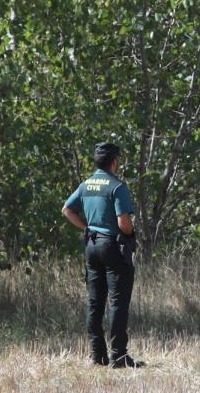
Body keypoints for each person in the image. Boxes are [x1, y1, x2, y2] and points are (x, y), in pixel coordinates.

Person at [61, 142, 142, 368]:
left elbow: (66, 210)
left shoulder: (86, 185)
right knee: (117, 302)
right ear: (114, 162)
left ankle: (98, 355)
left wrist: (86, 227)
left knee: (95, 302)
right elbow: (123, 224)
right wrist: (130, 232)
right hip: (113, 247)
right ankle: (119, 356)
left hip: (91, 246)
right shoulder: (117, 187)